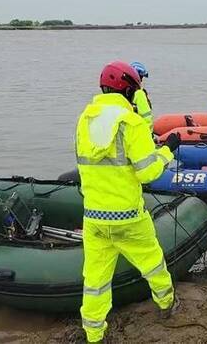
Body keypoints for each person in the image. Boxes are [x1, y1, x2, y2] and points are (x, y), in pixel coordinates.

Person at [76, 61, 181, 343]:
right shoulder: (131, 123)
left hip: (94, 218)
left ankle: (94, 334)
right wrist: (167, 152)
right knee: (153, 263)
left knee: (95, 281)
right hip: (128, 217)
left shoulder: (84, 120)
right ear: (131, 91)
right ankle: (166, 306)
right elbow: (148, 172)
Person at [130, 61, 154, 132]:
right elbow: (147, 118)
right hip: (141, 133)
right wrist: (150, 136)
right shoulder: (139, 94)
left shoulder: (124, 93)